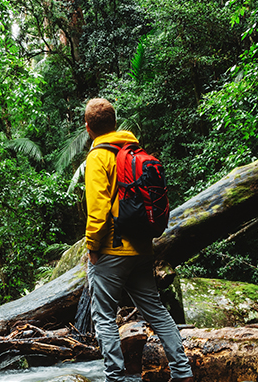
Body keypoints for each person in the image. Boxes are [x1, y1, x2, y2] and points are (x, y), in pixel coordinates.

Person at [84, 98, 194, 382]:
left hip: (111, 249)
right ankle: (183, 373)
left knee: (105, 318)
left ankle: (115, 378)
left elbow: (97, 210)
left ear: (88, 128)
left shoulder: (98, 156)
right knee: (156, 311)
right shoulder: (133, 149)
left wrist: (92, 248)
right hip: (142, 247)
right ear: (115, 122)